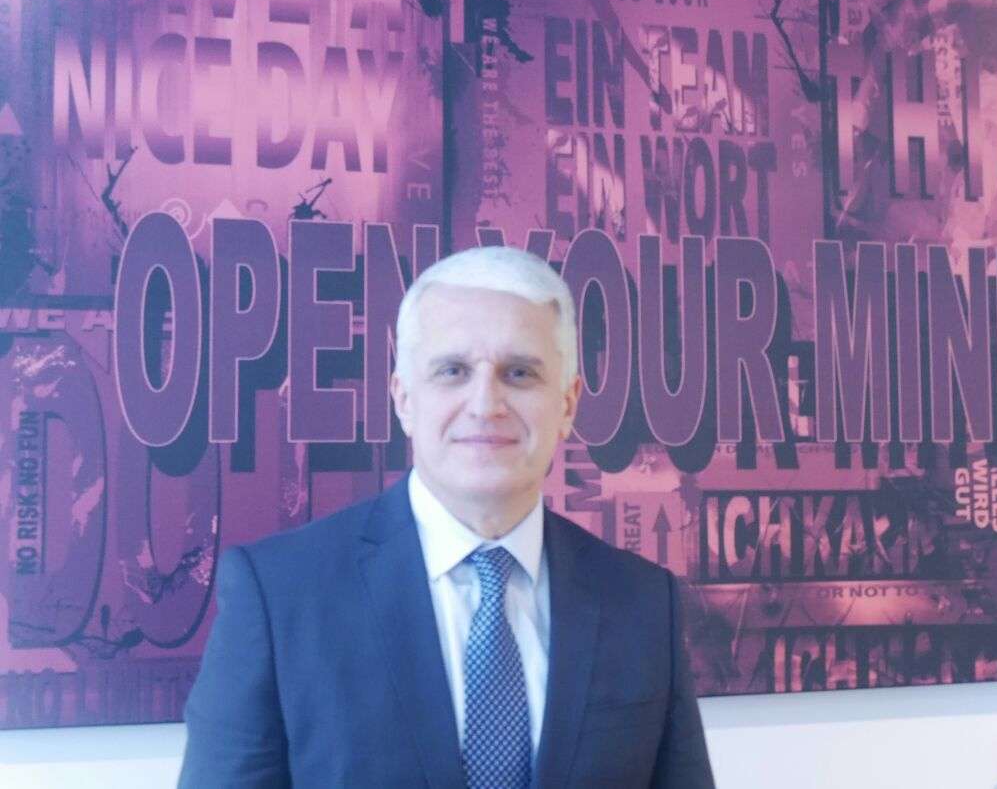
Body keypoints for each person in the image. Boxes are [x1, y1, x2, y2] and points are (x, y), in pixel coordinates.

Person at [179, 246, 715, 788]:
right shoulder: (280, 595)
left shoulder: (643, 602)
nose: (485, 404)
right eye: (453, 371)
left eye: (520, 373)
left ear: (568, 404)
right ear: (403, 399)